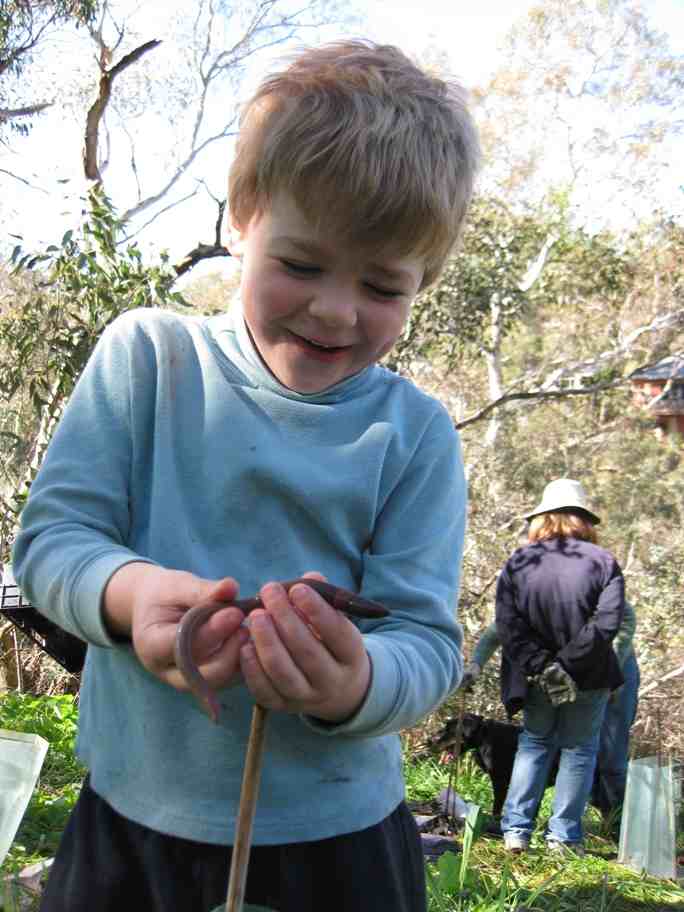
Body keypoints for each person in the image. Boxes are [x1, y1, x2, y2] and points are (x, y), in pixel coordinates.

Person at [11, 40, 480, 912]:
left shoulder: (415, 436)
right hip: (131, 828)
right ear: (242, 218)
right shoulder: (148, 361)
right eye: (300, 265)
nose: (336, 309)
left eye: (384, 285)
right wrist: (130, 593)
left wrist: (353, 685)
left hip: (336, 845)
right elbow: (49, 544)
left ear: (426, 280)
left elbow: (424, 641)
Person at [493, 479, 625, 855]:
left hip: (535, 678)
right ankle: (563, 839)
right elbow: (606, 623)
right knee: (579, 749)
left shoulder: (519, 562)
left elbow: (508, 625)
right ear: (583, 519)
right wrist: (567, 665)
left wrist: (543, 666)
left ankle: (516, 832)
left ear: (542, 518)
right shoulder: (603, 562)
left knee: (534, 743)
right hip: (590, 675)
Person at [460, 601, 639, 828]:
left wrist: (616, 670)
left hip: (613, 662)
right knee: (541, 745)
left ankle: (620, 829)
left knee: (609, 757)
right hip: (558, 666)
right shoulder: (530, 594)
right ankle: (519, 825)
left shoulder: (589, 579)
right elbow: (499, 629)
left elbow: (626, 617)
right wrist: (475, 665)